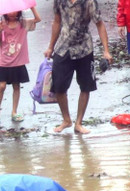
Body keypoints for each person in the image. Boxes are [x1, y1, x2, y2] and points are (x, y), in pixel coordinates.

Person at [44, 0, 113, 134]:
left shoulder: (89, 2)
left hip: (84, 48)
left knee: (85, 86)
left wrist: (106, 50)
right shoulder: (59, 1)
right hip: (63, 48)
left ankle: (79, 123)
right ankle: (66, 120)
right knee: (59, 86)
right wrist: (50, 47)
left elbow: (99, 23)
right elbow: (57, 22)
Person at [0, 7, 41, 126]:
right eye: (9, 10)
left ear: (19, 11)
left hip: (18, 61)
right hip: (4, 61)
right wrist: (0, 31)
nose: (12, 13)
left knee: (16, 86)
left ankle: (14, 111)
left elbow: (38, 19)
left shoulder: (23, 23)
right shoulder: (2, 24)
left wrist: (32, 7)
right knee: (1, 86)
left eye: (15, 10)